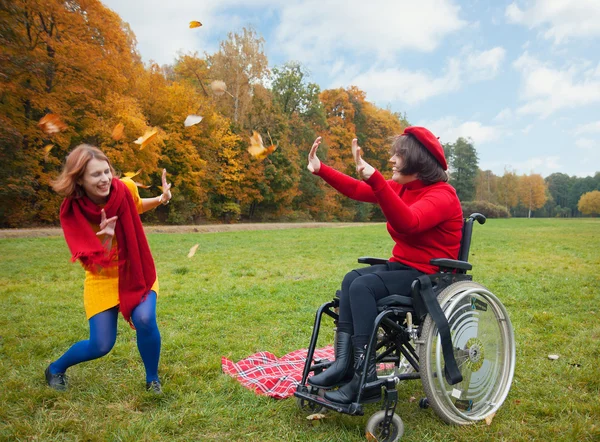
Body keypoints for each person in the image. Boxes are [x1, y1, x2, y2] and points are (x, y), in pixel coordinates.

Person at [306, 127, 463, 404]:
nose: (391, 159)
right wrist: (321, 169)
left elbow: (409, 222)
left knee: (363, 287)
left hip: (431, 277)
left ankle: (365, 378)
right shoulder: (404, 188)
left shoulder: (443, 195)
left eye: (398, 154)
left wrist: (376, 179)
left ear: (417, 161)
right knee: (351, 279)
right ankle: (344, 365)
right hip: (405, 268)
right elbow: (357, 189)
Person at [46, 144, 172, 394]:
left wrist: (160, 199)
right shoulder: (73, 210)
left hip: (136, 268)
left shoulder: (124, 188)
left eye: (106, 172)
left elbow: (135, 205)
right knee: (101, 345)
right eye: (96, 175)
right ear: (79, 179)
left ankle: (152, 379)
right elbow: (88, 256)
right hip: (101, 277)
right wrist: (103, 242)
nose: (104, 179)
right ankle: (55, 368)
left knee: (145, 318)